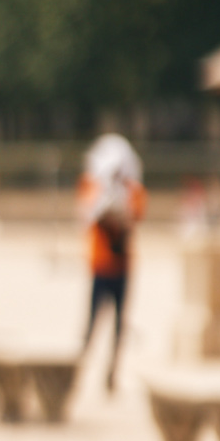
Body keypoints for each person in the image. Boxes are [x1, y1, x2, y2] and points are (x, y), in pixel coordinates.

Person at [78, 132, 146, 394]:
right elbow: (86, 217)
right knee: (91, 323)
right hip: (100, 264)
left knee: (119, 324)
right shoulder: (93, 186)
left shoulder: (133, 191)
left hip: (123, 266)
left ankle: (111, 374)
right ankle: (79, 370)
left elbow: (136, 218)